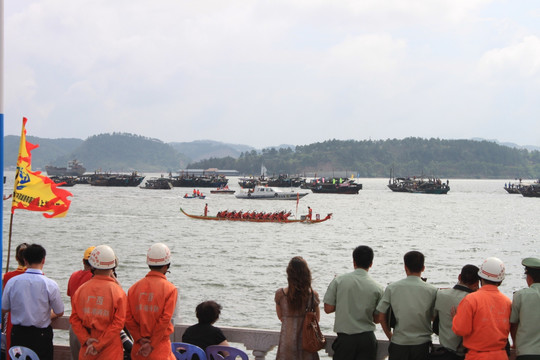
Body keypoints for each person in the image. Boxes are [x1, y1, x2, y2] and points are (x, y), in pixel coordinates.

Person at [1, 244, 64, 360]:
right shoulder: (50, 284)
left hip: (18, 334)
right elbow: (59, 311)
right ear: (43, 260)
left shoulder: (12, 282)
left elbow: (4, 308)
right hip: (41, 335)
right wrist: (46, 315)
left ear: (25, 260)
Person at [323, 245, 384, 360]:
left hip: (346, 340)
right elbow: (377, 319)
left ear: (354, 262)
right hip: (367, 339)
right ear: (371, 264)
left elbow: (328, 308)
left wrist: (343, 302)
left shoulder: (339, 281)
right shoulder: (378, 288)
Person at [376, 251, 437, 360]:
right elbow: (434, 317)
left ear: (405, 267)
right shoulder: (432, 290)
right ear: (423, 268)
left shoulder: (392, 288)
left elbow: (381, 316)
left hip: (398, 344)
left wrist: (390, 336)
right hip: (422, 344)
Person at [70, 245, 128, 359]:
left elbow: (74, 319)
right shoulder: (118, 291)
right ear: (113, 266)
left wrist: (86, 339)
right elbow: (118, 324)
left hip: (88, 348)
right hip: (110, 350)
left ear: (92, 266)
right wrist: (99, 344)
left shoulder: (81, 290)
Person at [126, 243, 178, 360]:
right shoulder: (170, 289)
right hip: (160, 348)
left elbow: (128, 318)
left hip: (139, 348)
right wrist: (152, 344)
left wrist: (138, 338)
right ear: (167, 266)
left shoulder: (133, 288)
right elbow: (164, 320)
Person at [452, 257, 512, 360]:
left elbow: (461, 330)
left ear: (480, 278)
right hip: (501, 355)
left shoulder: (470, 300)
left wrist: (456, 318)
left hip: (476, 355)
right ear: (500, 280)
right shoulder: (507, 302)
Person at [275, 256, 320, 360]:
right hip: (306, 342)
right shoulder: (312, 295)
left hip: (287, 341)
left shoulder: (280, 295)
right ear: (306, 274)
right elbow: (317, 319)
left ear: (289, 274)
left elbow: (280, 316)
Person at [432, 264, 480, 360]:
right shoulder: (475, 300)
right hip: (464, 354)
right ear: (476, 284)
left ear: (459, 277)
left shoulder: (441, 294)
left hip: (443, 352)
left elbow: (434, 319)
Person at [67, 246, 96, 360]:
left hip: (74, 326)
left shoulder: (74, 276)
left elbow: (70, 294)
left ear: (84, 261)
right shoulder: (95, 279)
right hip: (90, 329)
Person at [510, 257, 540, 360]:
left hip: (526, 353)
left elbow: (513, 324)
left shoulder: (520, 296)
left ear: (529, 278)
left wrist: (515, 344)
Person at [2, 242, 28, 354]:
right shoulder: (38, 276)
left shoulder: (8, 277)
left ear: (16, 258)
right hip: (29, 320)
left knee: (12, 352)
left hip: (12, 319)